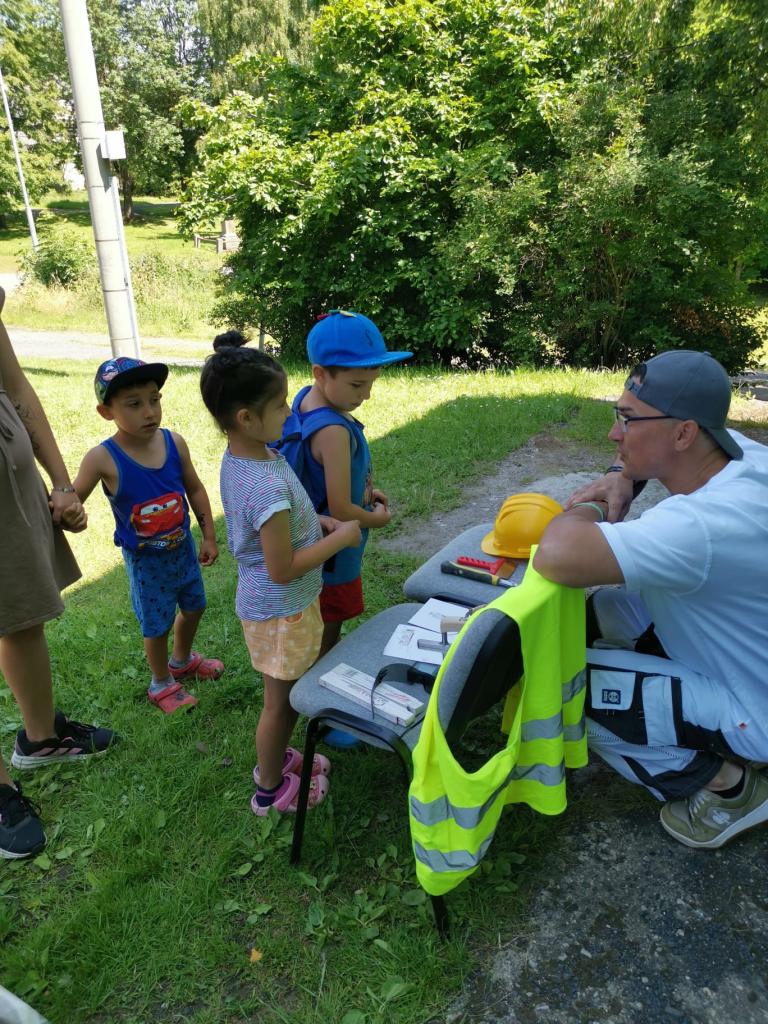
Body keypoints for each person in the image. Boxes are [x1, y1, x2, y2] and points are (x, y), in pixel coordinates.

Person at [533, 349, 768, 850]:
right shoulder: (743, 457)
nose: (613, 434)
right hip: (750, 651)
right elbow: (645, 459)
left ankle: (728, 789)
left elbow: (557, 556)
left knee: (556, 680)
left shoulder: (699, 526)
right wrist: (623, 474)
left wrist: (594, 505)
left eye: (628, 420)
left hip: (755, 708)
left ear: (683, 434)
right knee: (598, 615)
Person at [199, 333, 362, 815]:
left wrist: (318, 521)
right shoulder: (263, 485)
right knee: (282, 702)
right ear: (246, 418)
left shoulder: (253, 455)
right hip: (280, 611)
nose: (290, 411)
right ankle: (269, 787)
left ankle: (278, 757)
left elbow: (284, 523)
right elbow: (283, 567)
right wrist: (341, 538)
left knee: (285, 696)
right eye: (279, 404)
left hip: (281, 608)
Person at [0, 286, 116, 860]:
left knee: (22, 615)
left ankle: (41, 739)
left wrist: (63, 483)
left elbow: (16, 385)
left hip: (10, 480)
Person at [72, 357, 223, 714]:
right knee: (157, 624)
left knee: (195, 605)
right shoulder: (102, 458)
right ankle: (161, 682)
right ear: (106, 412)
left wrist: (209, 536)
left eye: (154, 399)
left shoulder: (174, 442)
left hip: (182, 548)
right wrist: (67, 510)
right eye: (134, 404)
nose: (149, 411)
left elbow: (195, 489)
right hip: (146, 562)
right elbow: (73, 499)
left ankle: (181, 661)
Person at [283, 310, 412, 657]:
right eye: (357, 385)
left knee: (317, 617)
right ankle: (322, 665)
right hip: (333, 551)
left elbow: (322, 476)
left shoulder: (306, 399)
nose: (366, 395)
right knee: (328, 621)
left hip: (314, 539)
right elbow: (341, 509)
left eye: (371, 383)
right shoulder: (334, 431)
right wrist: (377, 519)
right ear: (320, 373)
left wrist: (365, 492)